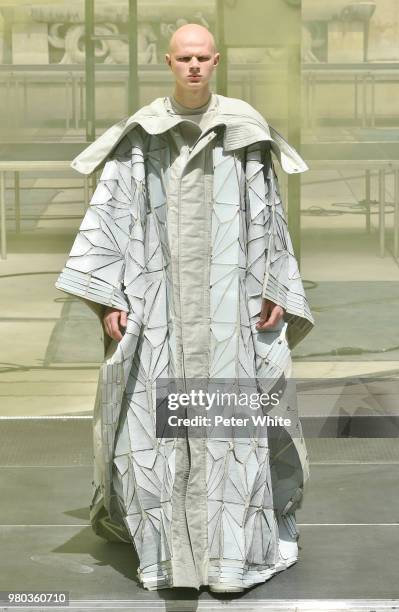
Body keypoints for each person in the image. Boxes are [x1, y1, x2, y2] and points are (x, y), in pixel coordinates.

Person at [55, 23, 314, 593]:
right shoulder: (141, 136)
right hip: (160, 308)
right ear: (168, 62)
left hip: (229, 312)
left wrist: (273, 284)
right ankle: (172, 557)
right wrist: (109, 300)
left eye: (202, 58)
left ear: (216, 61)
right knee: (159, 427)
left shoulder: (244, 131)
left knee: (227, 426)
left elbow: (269, 215)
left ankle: (226, 561)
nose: (194, 66)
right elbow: (112, 217)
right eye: (184, 58)